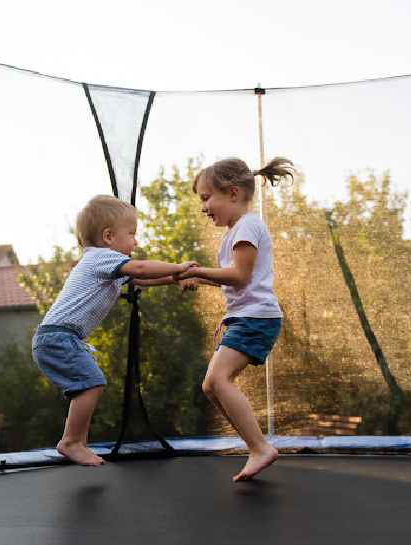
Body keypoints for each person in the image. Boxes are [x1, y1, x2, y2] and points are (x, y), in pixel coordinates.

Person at [32, 194, 199, 467]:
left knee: (88, 385)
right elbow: (143, 268)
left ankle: (78, 442)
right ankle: (71, 441)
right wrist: (180, 267)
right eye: (132, 234)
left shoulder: (106, 263)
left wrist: (175, 278)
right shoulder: (100, 257)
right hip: (58, 337)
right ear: (108, 236)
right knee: (92, 384)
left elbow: (145, 277)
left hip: (59, 337)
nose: (136, 241)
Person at [176, 157, 295, 481]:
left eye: (205, 197)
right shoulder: (234, 232)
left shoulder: (247, 225)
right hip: (245, 318)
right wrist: (202, 279)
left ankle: (259, 447)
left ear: (232, 192)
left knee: (216, 382)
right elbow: (236, 278)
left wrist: (197, 270)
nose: (203, 208)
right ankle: (256, 446)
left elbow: (240, 275)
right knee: (211, 387)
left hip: (256, 319)